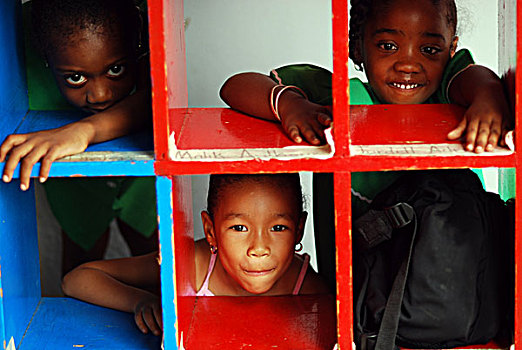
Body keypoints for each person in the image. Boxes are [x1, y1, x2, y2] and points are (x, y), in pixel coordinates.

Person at [219, 0, 513, 289]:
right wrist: (289, 104)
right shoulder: (337, 99)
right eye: (387, 46)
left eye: (430, 50)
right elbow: (234, 86)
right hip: (358, 293)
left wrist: (488, 93)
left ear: (450, 50)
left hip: (448, 288)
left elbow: (471, 76)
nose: (408, 63)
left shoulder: (449, 93)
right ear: (358, 46)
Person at [62, 173, 329, 335]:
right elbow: (78, 280)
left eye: (278, 227)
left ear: (299, 231)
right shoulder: (195, 265)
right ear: (210, 230)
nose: (259, 248)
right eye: (239, 227)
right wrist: (141, 301)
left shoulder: (306, 287)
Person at [0, 0, 158, 274]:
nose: (100, 95)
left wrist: (86, 130)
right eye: (75, 78)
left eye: (116, 70)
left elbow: (151, 101)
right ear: (47, 61)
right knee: (80, 256)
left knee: (154, 258)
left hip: (143, 167)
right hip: (70, 179)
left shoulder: (147, 34)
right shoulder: (24, 48)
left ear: (137, 47)